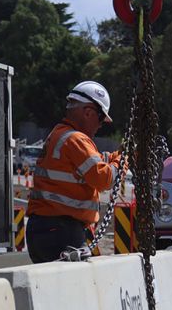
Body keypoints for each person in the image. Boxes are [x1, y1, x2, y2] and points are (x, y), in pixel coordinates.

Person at [26, 81, 121, 263]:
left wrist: (119, 156)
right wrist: (123, 162)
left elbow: (94, 164)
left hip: (46, 230)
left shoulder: (60, 134)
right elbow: (103, 179)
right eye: (101, 119)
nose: (100, 126)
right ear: (88, 112)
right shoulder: (76, 139)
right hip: (62, 232)